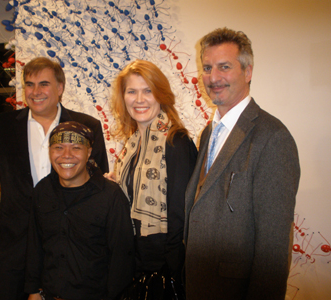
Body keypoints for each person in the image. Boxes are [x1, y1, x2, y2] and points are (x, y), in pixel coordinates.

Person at [0, 57, 109, 300]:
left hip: (68, 240)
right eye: (29, 84)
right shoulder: (0, 126)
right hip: (15, 241)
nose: (35, 92)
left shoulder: (87, 126)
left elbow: (96, 186)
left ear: (60, 88)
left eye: (44, 84)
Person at [184, 27, 300, 300]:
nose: (213, 77)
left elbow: (273, 249)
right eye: (208, 67)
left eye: (224, 67)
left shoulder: (273, 138)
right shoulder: (209, 133)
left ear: (248, 72)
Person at [106, 59, 197, 298]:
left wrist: (171, 267)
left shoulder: (175, 141)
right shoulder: (133, 142)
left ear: (161, 95)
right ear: (123, 97)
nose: (139, 99)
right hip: (134, 255)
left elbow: (181, 210)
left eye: (148, 90)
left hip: (161, 261)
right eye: (132, 91)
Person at [25, 121, 134, 300]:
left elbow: (122, 258)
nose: (66, 156)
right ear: (50, 151)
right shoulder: (42, 191)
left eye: (76, 148)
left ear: (88, 152)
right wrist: (33, 290)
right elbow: (35, 244)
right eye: (58, 147)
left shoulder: (111, 196)